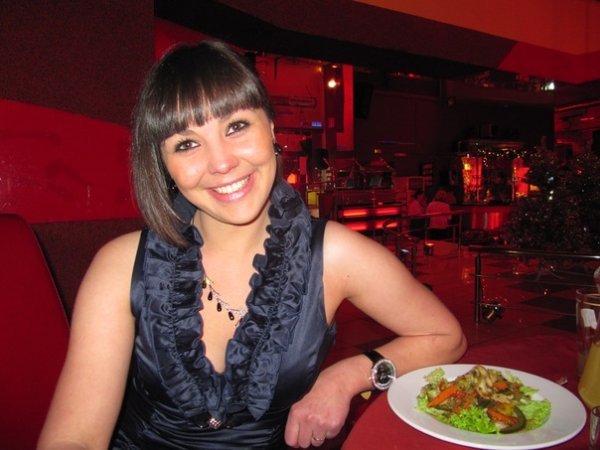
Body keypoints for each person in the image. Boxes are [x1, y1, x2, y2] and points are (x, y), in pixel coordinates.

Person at [38, 41, 466, 449]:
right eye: (187, 144)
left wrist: (349, 376)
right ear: (164, 164)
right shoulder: (120, 267)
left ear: (271, 128)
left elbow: (446, 336)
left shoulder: (334, 255)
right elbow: (73, 437)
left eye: (237, 126)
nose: (222, 162)